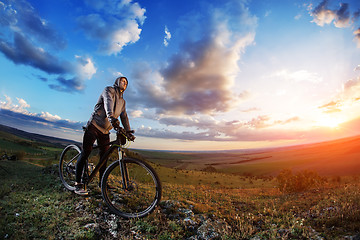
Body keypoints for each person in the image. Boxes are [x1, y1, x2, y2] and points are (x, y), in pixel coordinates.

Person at [74, 76, 134, 195]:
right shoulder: (109, 90)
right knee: (86, 152)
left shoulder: (123, 102)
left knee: (104, 157)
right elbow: (108, 103)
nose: (125, 83)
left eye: (126, 82)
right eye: (123, 80)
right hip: (94, 125)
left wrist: (128, 131)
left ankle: (102, 182)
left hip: (105, 131)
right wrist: (111, 117)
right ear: (117, 82)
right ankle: (78, 184)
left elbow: (124, 117)